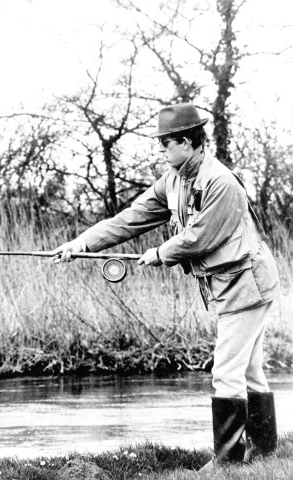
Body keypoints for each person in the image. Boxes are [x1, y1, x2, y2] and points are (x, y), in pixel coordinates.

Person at [53, 103, 280, 470]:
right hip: (228, 285)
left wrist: (159, 253)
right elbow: (131, 219)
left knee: (226, 371)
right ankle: (263, 452)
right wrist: (82, 243)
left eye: (166, 143)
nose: (161, 150)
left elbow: (200, 238)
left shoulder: (220, 181)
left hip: (247, 284)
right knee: (249, 369)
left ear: (188, 143)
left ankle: (229, 462)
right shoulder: (173, 179)